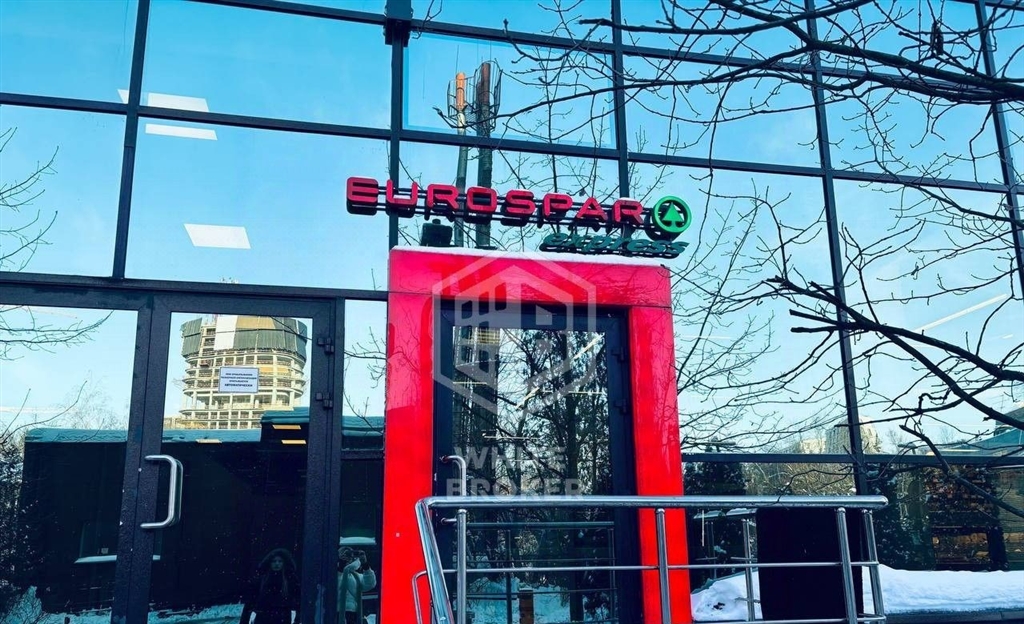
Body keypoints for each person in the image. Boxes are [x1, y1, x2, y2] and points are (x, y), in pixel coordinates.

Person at [239, 548, 301, 624]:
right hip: (264, 616)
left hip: (282, 616)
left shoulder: (290, 579)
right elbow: (250, 601)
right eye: (274, 561)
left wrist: (297, 619)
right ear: (270, 563)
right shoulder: (262, 579)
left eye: (280, 561)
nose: (277, 564)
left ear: (284, 563)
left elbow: (298, 599)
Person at [337, 546, 377, 624]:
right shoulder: (331, 577)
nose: (347, 558)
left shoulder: (355, 577)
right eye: (343, 555)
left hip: (354, 614)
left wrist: (365, 565)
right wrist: (341, 568)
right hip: (335, 613)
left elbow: (370, 584)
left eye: (349, 556)